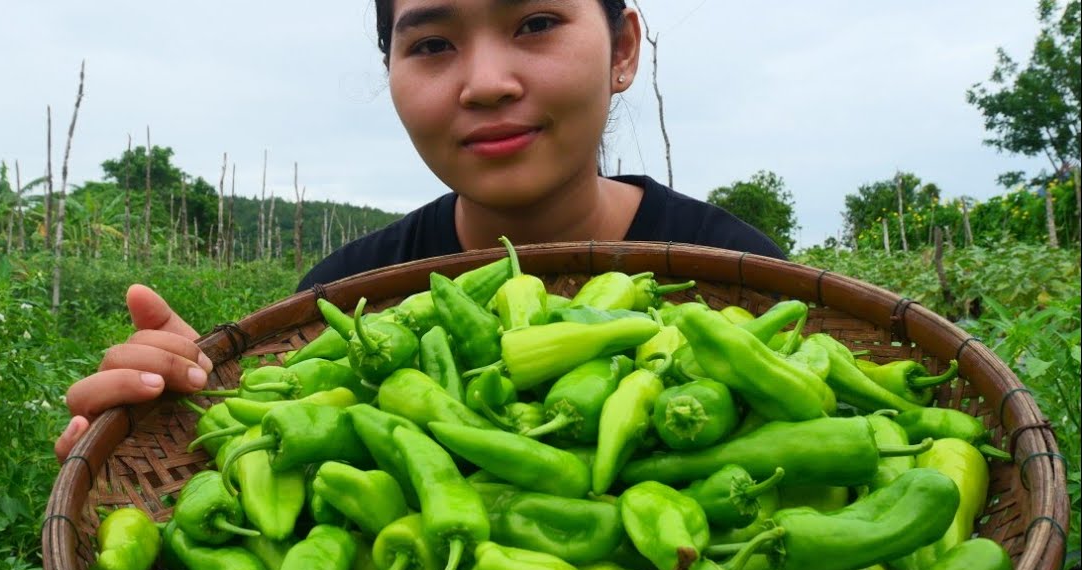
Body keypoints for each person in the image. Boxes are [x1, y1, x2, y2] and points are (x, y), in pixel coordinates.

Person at [55, 0, 785, 462]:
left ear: (624, 49)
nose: (487, 82)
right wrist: (192, 408)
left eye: (534, 23)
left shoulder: (740, 273)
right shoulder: (342, 297)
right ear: (391, 73)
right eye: (432, 44)